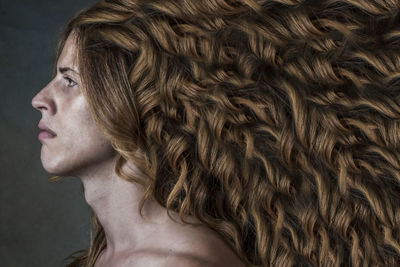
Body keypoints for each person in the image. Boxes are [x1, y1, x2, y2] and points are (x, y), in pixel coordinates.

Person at [32, 0, 400, 266]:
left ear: (134, 102)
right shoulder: (108, 257)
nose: (39, 99)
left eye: (69, 81)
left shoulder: (179, 263)